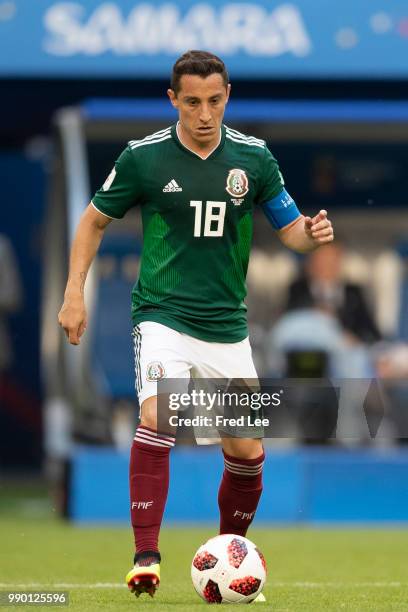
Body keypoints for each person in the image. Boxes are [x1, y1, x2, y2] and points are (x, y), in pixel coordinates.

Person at [58, 50, 334, 600]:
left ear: (227, 95)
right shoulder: (144, 158)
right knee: (159, 412)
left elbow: (289, 230)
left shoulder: (255, 159)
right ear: (172, 100)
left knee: (248, 451)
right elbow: (92, 222)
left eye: (214, 100)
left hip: (227, 326)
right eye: (192, 102)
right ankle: (146, 555)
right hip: (162, 313)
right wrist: (73, 293)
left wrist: (312, 231)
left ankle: (228, 557)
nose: (204, 113)